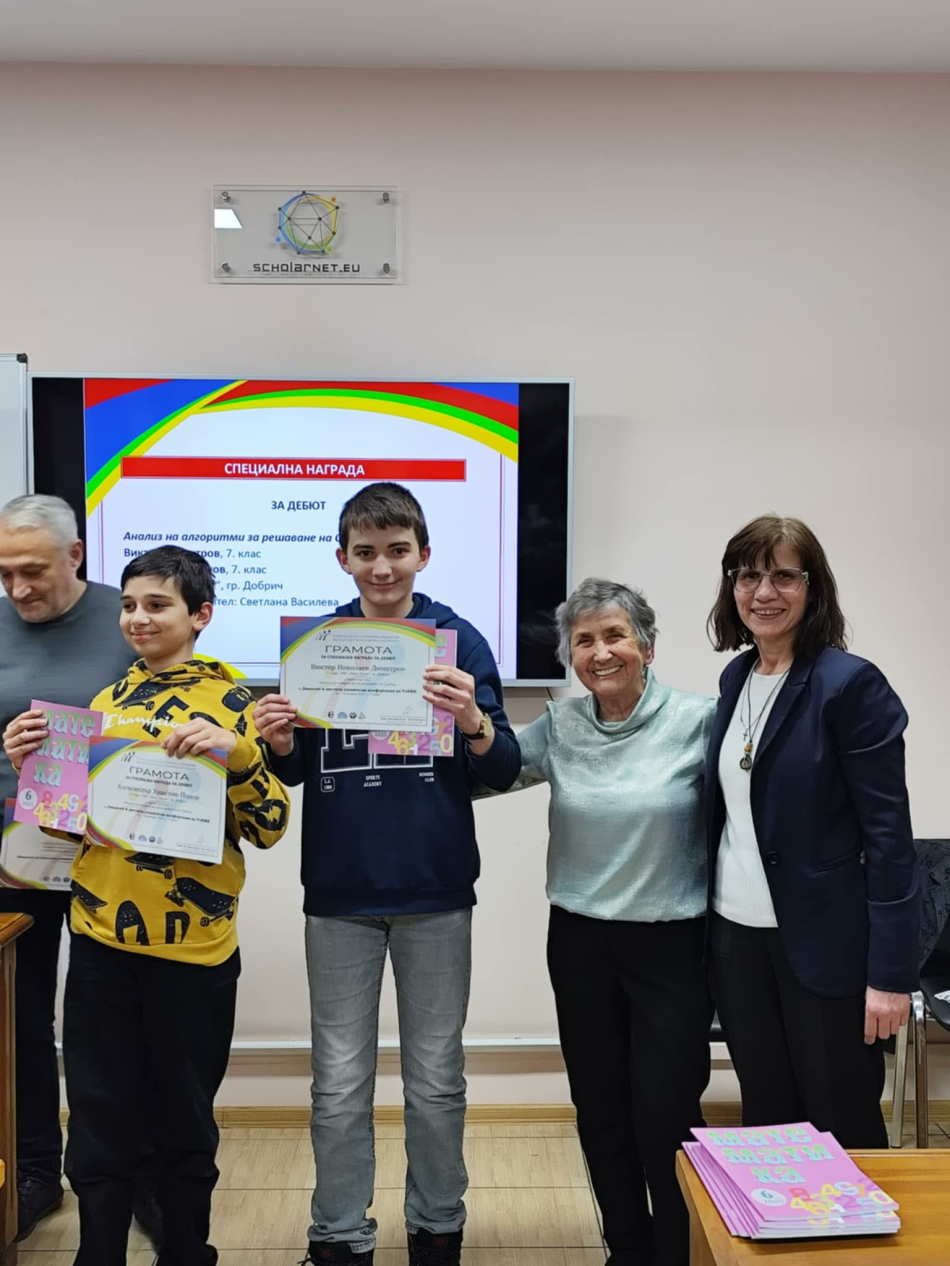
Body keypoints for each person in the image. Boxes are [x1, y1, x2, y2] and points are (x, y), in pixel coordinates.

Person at [253, 482, 521, 1266]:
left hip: (436, 891)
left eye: (397, 550)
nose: (382, 567)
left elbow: (502, 765)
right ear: (342, 558)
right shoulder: (316, 645)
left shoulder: (459, 640)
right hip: (338, 894)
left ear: (423, 554)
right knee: (338, 1081)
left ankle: (438, 1227)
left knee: (436, 1079)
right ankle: (340, 1235)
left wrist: (472, 720)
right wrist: (277, 739)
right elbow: (297, 768)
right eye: (365, 552)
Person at [5, 545, 290, 1266]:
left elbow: (269, 827)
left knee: (183, 1123)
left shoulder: (237, 706)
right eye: (129, 605)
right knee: (98, 1118)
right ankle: (97, 1252)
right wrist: (30, 769)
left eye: (158, 605)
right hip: (100, 941)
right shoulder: (103, 705)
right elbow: (70, 827)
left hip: (194, 953)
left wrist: (238, 756)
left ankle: (187, 1251)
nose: (137, 618)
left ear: (200, 615)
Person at [516, 578, 715, 1266]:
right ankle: (627, 1248)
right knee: (600, 1108)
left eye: (614, 635)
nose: (600, 652)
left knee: (667, 1112)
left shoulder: (701, 720)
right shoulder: (560, 725)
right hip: (579, 942)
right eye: (584, 641)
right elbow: (485, 773)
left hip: (672, 942)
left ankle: (680, 1249)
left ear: (647, 646)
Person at [705, 514, 919, 1147]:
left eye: (784, 576)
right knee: (768, 1123)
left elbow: (890, 839)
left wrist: (891, 975)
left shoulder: (849, 685)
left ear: (812, 587)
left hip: (824, 951)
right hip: (737, 944)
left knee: (841, 1127)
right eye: (748, 576)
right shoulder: (736, 679)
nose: (764, 592)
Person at [0, 494, 151, 1243]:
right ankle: (33, 1171)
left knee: (118, 1018)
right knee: (20, 1018)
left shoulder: (129, 620)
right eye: (4, 574)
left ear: (75, 557)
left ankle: (133, 1175)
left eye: (32, 571)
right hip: (16, 857)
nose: (18, 588)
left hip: (113, 853)